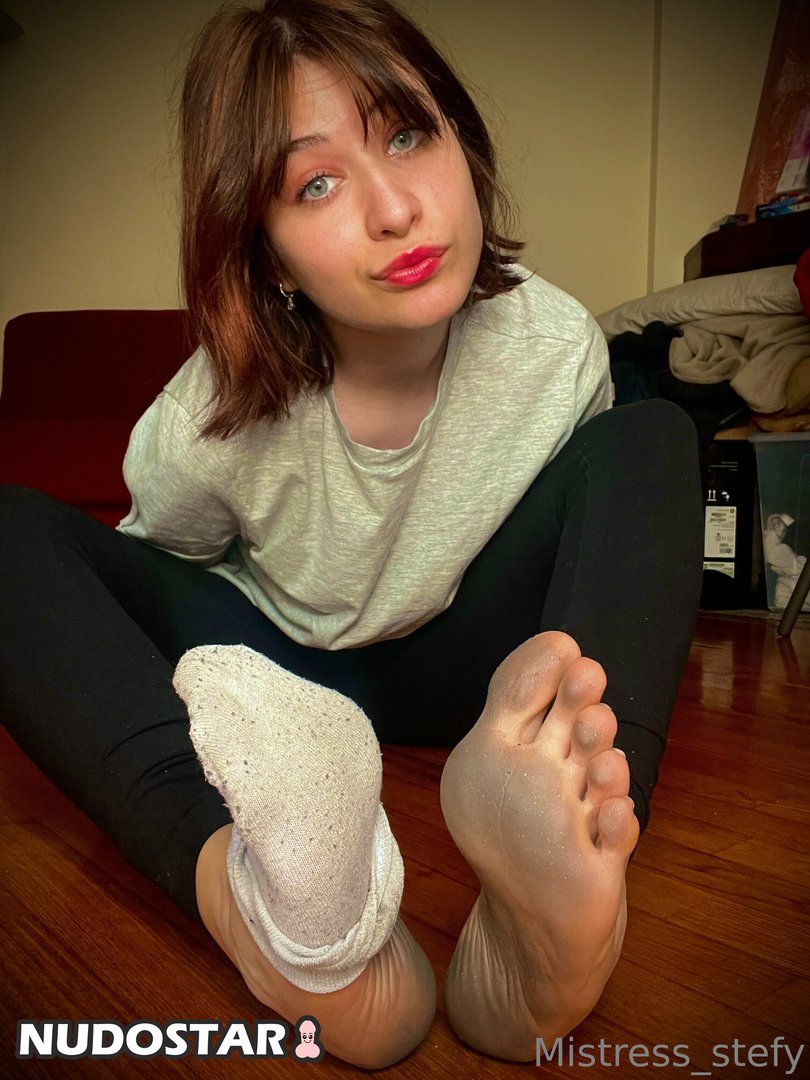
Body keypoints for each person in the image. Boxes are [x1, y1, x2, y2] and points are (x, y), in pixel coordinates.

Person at [0, 0, 703, 1067]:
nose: (396, 210)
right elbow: (149, 583)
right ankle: (264, 915)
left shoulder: (554, 347)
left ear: (463, 143)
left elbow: (592, 557)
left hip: (472, 674)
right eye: (316, 184)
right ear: (269, 253)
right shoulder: (203, 420)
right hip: (285, 679)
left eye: (408, 135)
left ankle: (575, 889)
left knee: (651, 436)